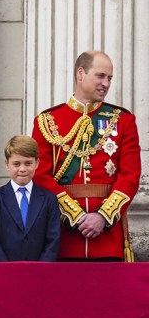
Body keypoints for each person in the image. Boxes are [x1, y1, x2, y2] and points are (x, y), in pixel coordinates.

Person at [31, 51, 141, 261]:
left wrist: (102, 216)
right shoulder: (47, 121)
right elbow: (40, 176)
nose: (106, 84)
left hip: (107, 239)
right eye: (100, 76)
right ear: (80, 73)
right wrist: (76, 216)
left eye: (109, 78)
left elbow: (130, 176)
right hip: (63, 239)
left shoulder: (123, 121)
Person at [0, 135, 60, 261]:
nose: (22, 169)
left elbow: (53, 238)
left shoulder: (48, 199)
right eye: (16, 164)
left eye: (28, 163)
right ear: (7, 164)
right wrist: (5, 269)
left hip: (39, 272)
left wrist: (42, 268)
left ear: (37, 163)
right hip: (5, 272)